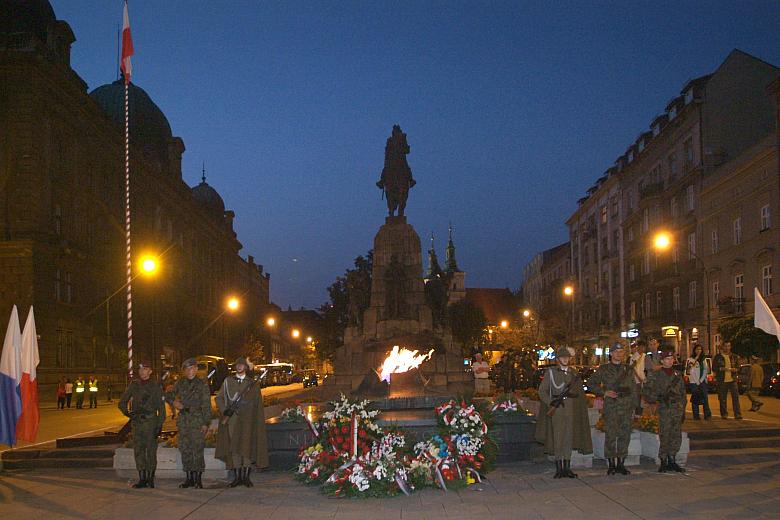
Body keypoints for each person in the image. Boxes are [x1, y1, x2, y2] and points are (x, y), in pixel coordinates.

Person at [535, 346, 592, 478]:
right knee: (558, 438)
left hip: (571, 409)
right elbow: (542, 391)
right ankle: (559, 467)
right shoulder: (551, 372)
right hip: (557, 409)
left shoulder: (573, 373)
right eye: (562, 357)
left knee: (568, 438)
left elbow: (579, 393)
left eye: (567, 357)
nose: (565, 359)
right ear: (557, 359)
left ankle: (567, 467)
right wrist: (551, 402)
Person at [215, 357, 269, 487]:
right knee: (234, 447)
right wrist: (225, 411)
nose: (239, 367)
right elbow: (219, 398)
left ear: (245, 367)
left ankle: (246, 477)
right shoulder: (228, 382)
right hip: (233, 419)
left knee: (246, 446)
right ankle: (237, 477)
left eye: (242, 365)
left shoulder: (252, 384)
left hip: (247, 420)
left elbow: (257, 404)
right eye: (237, 365)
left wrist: (255, 419)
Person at [586, 343, 636, 475]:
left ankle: (621, 463)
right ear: (611, 353)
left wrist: (635, 407)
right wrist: (604, 392)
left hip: (626, 407)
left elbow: (634, 389)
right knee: (611, 436)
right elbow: (590, 384)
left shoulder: (628, 369)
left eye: (621, 351)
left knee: (625, 436)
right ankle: (611, 464)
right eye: (617, 351)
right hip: (611, 407)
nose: (619, 354)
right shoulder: (604, 369)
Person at [118, 360, 166, 488]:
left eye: (145, 369)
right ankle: (142, 478)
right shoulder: (134, 385)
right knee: (138, 451)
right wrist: (128, 413)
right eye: (140, 370)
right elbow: (122, 402)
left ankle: (150, 479)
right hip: (137, 423)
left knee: (150, 451)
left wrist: (159, 425)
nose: (142, 372)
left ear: (150, 371)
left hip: (150, 423)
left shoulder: (155, 386)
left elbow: (161, 408)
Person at [165, 358, 212, 489]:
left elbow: (206, 406)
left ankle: (198, 479)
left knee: (197, 449)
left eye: (192, 368)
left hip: (197, 420)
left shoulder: (202, 384)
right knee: (185, 449)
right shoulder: (180, 383)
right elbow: (168, 395)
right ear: (184, 371)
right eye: (187, 369)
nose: (190, 371)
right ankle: (189, 478)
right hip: (184, 421)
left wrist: (205, 423)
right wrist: (174, 402)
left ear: (196, 369)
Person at [643, 348, 686, 473]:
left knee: (676, 435)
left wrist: (682, 409)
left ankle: (672, 459)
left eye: (672, 359)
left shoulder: (678, 375)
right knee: (665, 434)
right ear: (662, 361)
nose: (670, 361)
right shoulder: (656, 375)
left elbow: (683, 394)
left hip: (677, 409)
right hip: (664, 409)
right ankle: (663, 460)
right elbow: (646, 391)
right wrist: (656, 398)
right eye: (667, 359)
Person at [712, 342, 742, 419]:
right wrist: (721, 369)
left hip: (732, 380)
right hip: (722, 380)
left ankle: (738, 414)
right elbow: (714, 368)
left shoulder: (734, 357)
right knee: (722, 399)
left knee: (735, 398)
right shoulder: (718, 357)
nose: (727, 348)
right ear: (723, 347)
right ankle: (724, 414)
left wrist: (736, 369)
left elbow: (739, 367)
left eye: (728, 346)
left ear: (730, 347)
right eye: (725, 346)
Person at [686, 343, 712, 420]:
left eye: (700, 349)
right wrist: (696, 358)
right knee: (695, 398)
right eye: (697, 349)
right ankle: (696, 415)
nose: (699, 351)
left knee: (705, 397)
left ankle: (707, 415)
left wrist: (701, 380)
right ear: (694, 350)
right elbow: (690, 370)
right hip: (694, 382)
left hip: (702, 381)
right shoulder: (690, 359)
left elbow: (705, 370)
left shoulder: (704, 359)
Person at [629, 340, 647, 416]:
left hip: (644, 380)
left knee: (643, 399)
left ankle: (640, 414)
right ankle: (636, 414)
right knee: (637, 398)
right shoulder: (634, 357)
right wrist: (638, 378)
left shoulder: (645, 356)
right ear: (638, 347)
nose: (642, 349)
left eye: (643, 347)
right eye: (641, 347)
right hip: (636, 381)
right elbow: (632, 369)